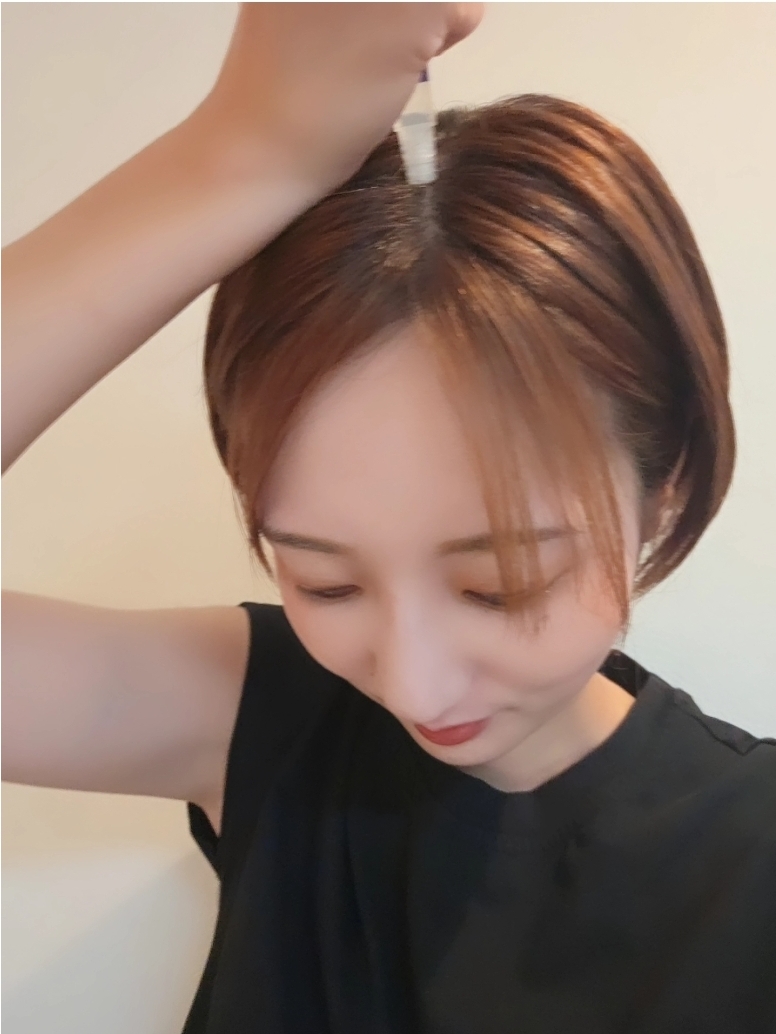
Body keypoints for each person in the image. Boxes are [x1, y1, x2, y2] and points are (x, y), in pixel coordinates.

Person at [3, 5, 775, 1033]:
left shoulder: (750, 859)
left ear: (666, 479)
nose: (411, 684)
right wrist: (237, 153)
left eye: (497, 584)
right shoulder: (258, 716)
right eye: (324, 581)